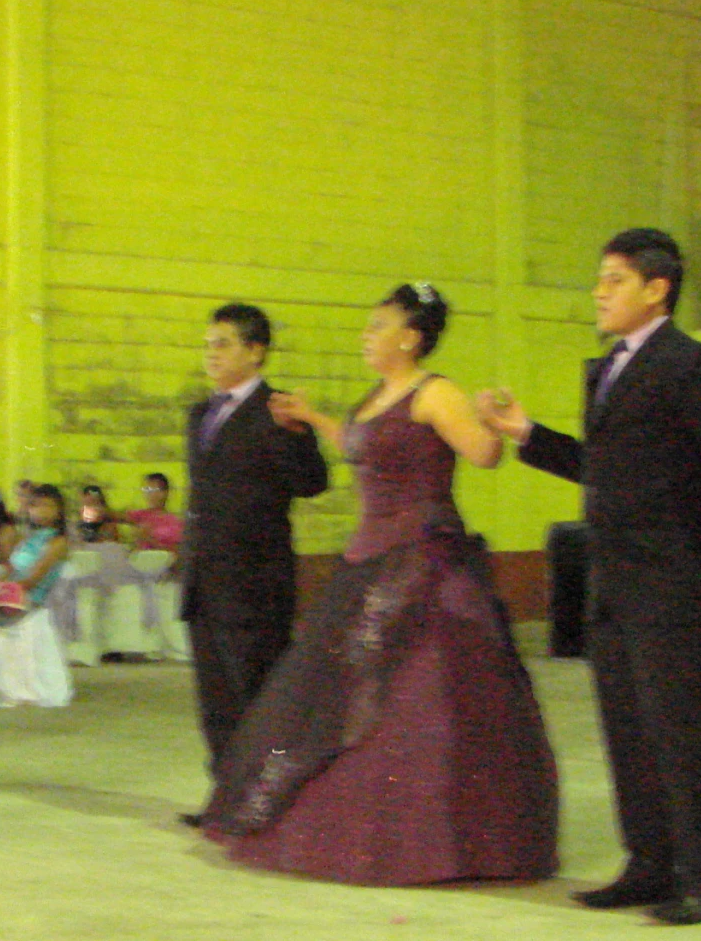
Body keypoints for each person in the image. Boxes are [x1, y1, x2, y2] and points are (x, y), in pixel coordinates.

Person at [196, 286, 559, 886]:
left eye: (378, 326)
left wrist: (496, 424)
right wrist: (314, 419)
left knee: (417, 693)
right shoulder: (376, 396)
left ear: (410, 338)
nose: (366, 335)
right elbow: (360, 447)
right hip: (368, 557)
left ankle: (432, 839)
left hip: (423, 561)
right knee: (342, 690)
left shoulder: (434, 391)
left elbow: (482, 454)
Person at [477, 229, 701, 926]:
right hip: (613, 583)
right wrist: (525, 433)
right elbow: (603, 468)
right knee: (627, 731)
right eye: (598, 280)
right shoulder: (610, 367)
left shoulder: (688, 365)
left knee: (676, 733)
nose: (598, 293)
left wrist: (697, 548)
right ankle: (649, 864)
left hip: (669, 584)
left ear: (656, 288)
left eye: (613, 280)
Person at [179, 302, 330, 792]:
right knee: (215, 696)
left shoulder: (278, 409)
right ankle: (225, 795)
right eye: (207, 345)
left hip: (254, 580)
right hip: (204, 578)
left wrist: (292, 434)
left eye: (223, 343)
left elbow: (313, 482)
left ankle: (267, 797)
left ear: (256, 351)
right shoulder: (200, 413)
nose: (211, 354)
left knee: (257, 691)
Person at [0, 483, 70, 610]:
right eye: (35, 505)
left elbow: (34, 579)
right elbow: (9, 567)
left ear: (59, 511)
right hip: (12, 593)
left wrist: (4, 591)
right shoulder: (26, 537)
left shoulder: (58, 542)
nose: (40, 510)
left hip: (32, 600)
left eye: (47, 505)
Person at [122, 472, 184, 554]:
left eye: (155, 490)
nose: (150, 494)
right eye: (146, 489)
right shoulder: (139, 515)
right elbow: (116, 517)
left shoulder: (176, 523)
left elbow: (179, 552)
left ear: (165, 492)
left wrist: (149, 539)